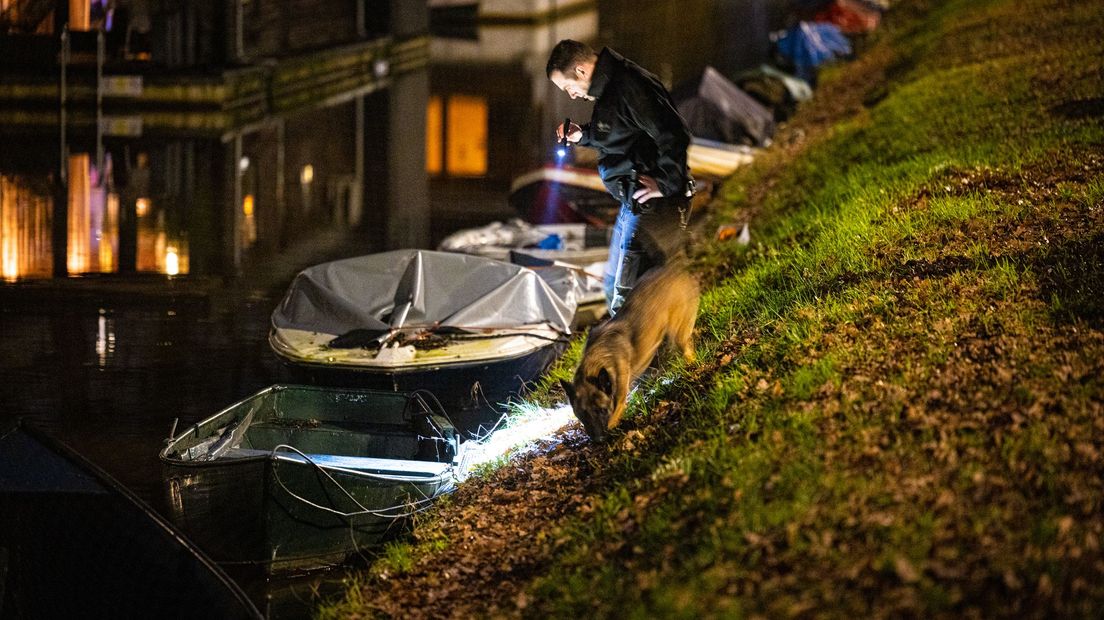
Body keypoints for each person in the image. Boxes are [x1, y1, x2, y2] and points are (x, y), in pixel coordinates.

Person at [546, 39, 693, 315]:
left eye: (568, 87)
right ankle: (647, 354)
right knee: (614, 287)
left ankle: (651, 358)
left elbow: (674, 133)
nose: (572, 95)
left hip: (653, 208)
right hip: (632, 203)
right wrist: (583, 135)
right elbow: (618, 132)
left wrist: (666, 183)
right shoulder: (609, 89)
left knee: (632, 303)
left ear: (580, 71)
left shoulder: (629, 86)